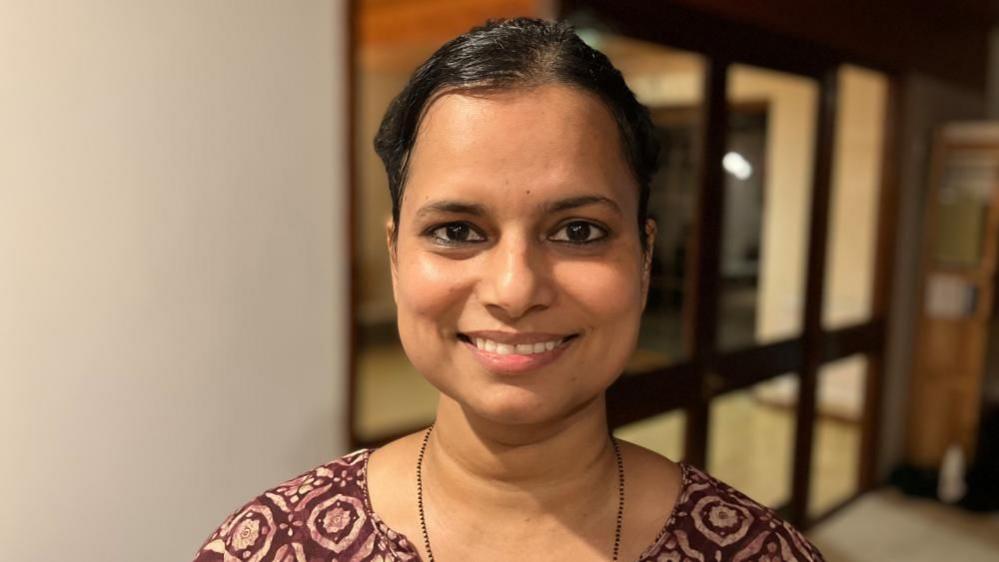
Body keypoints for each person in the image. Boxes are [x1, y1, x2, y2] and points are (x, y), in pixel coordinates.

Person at [193, 18, 825, 562]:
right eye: (457, 230)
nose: (515, 289)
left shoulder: (754, 551)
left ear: (645, 258)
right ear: (395, 256)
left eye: (578, 230)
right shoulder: (275, 544)